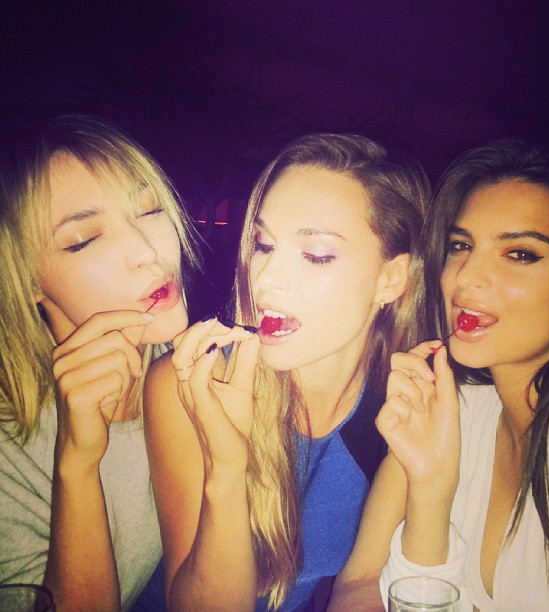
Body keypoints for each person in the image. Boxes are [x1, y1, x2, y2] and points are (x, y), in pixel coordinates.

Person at [144, 133, 430, 610]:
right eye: (263, 244)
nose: (264, 279)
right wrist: (227, 468)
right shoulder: (193, 382)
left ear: (391, 279)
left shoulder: (398, 404)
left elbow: (363, 582)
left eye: (316, 254)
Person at [329, 139, 549, 611]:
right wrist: (430, 489)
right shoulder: (452, 407)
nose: (465, 277)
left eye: (519, 254)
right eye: (460, 246)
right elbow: (359, 586)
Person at [0, 114, 199, 610]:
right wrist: (78, 464)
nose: (148, 251)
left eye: (149, 209)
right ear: (28, 280)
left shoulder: (188, 367)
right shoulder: (11, 447)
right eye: (84, 238)